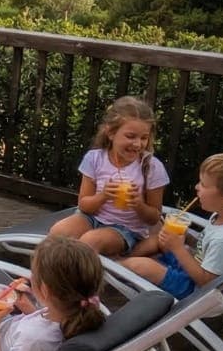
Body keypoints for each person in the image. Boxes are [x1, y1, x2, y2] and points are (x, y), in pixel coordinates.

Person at [121, 152, 223, 299]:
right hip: (195, 266)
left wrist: (178, 248)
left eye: (203, 184)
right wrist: (188, 238)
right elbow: (206, 248)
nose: (197, 187)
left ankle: (113, 267)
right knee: (159, 239)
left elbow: (207, 282)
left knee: (142, 266)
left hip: (194, 289)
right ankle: (122, 262)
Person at [49, 96, 170, 257]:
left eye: (144, 138)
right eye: (130, 136)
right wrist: (103, 196)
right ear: (111, 133)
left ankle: (78, 273)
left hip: (126, 229)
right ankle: (45, 272)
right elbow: (84, 205)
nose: (137, 144)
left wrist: (138, 205)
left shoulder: (151, 167)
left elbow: (154, 218)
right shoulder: (95, 159)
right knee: (58, 232)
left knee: (90, 241)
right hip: (91, 218)